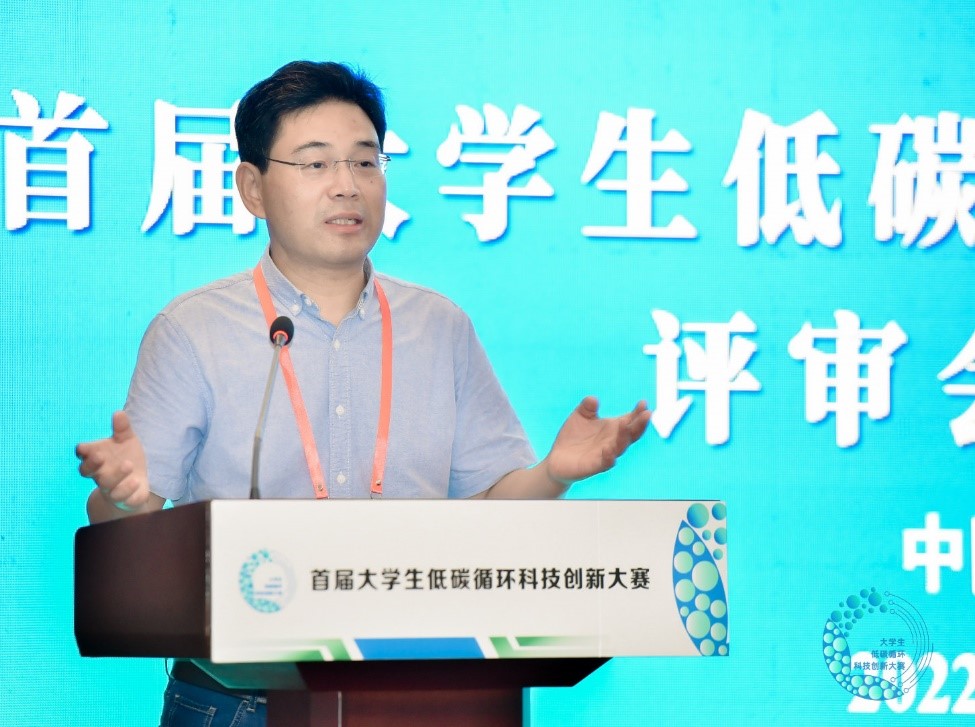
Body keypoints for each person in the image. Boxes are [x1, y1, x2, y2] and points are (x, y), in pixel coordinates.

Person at [76, 60, 651, 727]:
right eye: (315, 164)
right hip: (240, 703)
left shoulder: (439, 327)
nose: (346, 185)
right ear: (253, 188)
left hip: (423, 696)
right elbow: (131, 518)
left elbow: (493, 507)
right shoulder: (193, 331)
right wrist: (124, 499)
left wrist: (554, 473)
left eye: (364, 161)